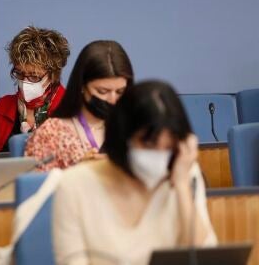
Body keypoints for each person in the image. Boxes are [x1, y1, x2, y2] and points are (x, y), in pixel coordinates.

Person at [53, 81, 217, 265]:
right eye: (149, 144)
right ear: (123, 137)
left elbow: (204, 255)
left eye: (169, 147)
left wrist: (181, 186)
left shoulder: (183, 171)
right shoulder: (74, 185)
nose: (160, 156)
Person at [25, 40, 134, 171]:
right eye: (102, 91)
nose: (113, 100)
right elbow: (33, 187)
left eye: (120, 92)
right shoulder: (52, 133)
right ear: (82, 86)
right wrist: (77, 171)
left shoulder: (132, 129)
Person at [0, 26, 70, 153]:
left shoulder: (70, 108)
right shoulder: (2, 108)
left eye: (34, 76)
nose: (25, 82)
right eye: (19, 73)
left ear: (53, 75)